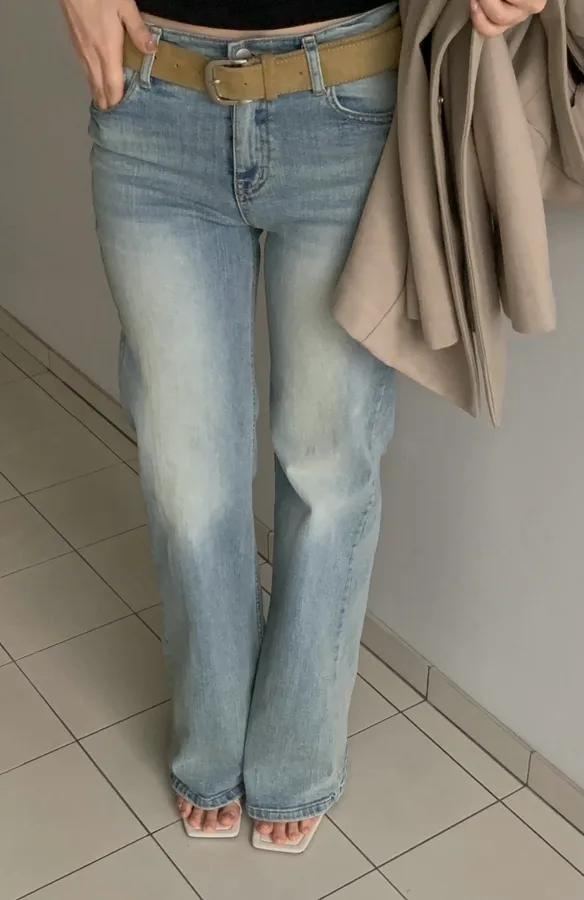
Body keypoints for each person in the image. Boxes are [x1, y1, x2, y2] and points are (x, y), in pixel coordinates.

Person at [60, 0, 547, 853]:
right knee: (186, 474)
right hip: (152, 98)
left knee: (329, 465)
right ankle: (213, 737)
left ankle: (296, 754)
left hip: (349, 102)